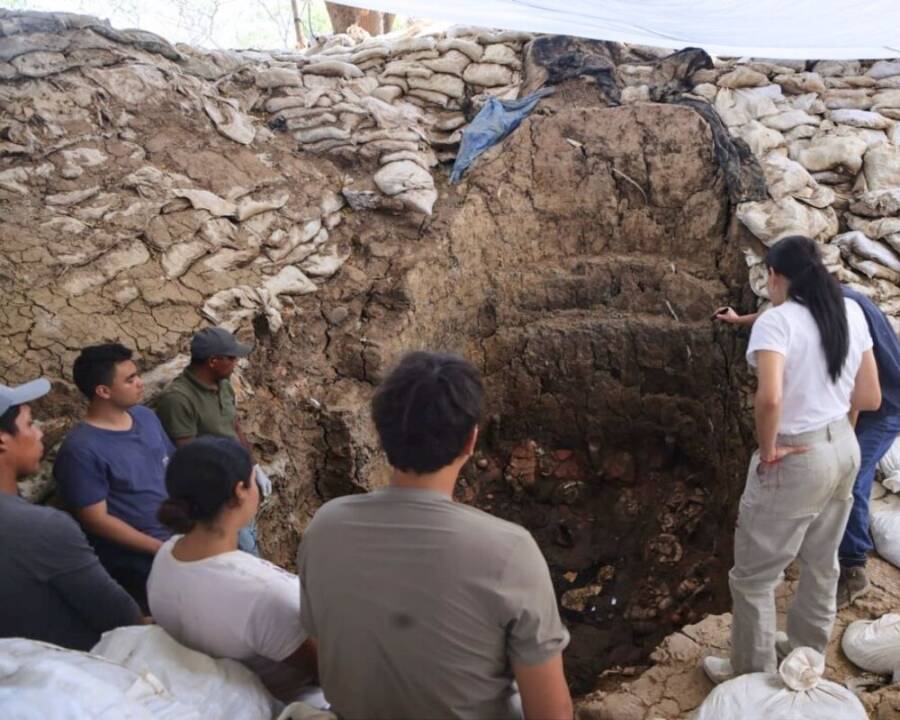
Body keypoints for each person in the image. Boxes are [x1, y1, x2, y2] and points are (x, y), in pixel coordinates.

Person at [297, 351, 573, 720]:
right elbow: (551, 715)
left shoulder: (324, 527)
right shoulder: (510, 551)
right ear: (471, 441)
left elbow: (323, 646)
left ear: (381, 434)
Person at [704, 236, 882, 684]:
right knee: (822, 564)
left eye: (769, 277)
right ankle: (803, 658)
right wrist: (838, 430)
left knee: (754, 576)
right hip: (844, 448)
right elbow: (869, 396)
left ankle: (751, 675)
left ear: (777, 276)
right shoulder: (851, 311)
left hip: (797, 454)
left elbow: (770, 399)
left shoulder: (777, 323)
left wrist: (768, 450)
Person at [715, 280, 900, 606]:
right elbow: (781, 321)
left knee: (851, 475)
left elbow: (859, 398)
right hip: (865, 395)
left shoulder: (846, 310)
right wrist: (740, 319)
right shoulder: (818, 299)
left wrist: (844, 439)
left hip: (885, 404)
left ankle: (853, 567)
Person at [147, 437, 318, 704]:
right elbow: (324, 670)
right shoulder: (262, 592)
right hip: (283, 702)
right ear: (240, 491)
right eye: (253, 478)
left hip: (208, 694)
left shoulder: (166, 556)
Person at [0, 377, 143, 650]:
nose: (40, 433)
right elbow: (124, 619)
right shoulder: (41, 529)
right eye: (29, 424)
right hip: (72, 676)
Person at [53, 344, 174, 611]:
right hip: (139, 561)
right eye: (130, 380)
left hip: (178, 537)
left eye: (137, 375)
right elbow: (96, 520)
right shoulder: (81, 450)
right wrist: (159, 548)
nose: (140, 383)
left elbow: (173, 468)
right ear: (103, 391)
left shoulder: (146, 418)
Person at [155, 327, 263, 555]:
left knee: (250, 542)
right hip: (219, 493)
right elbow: (190, 456)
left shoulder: (223, 384)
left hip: (238, 480)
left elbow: (233, 425)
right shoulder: (178, 399)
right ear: (213, 361)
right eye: (231, 358)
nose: (236, 363)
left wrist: (251, 466)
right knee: (241, 554)